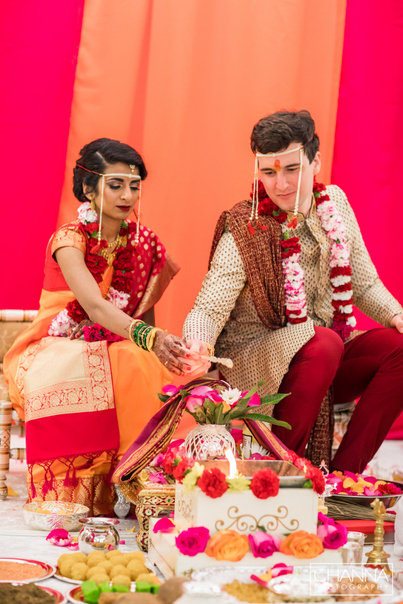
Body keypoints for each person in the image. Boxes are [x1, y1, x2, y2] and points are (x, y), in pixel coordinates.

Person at [183, 110, 403, 474]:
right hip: (255, 364)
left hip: (322, 355)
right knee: (324, 342)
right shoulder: (246, 226)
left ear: (315, 161)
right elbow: (208, 308)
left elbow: (363, 284)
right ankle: (279, 472)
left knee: (396, 348)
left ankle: (341, 478)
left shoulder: (335, 203)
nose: (280, 184)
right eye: (268, 172)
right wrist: (197, 343)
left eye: (291, 169)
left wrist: (397, 315)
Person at [4, 138, 194, 515]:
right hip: (56, 340)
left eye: (134, 186)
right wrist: (148, 339)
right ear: (89, 188)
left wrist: (156, 346)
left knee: (151, 367)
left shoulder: (143, 243)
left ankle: (150, 482)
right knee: (123, 359)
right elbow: (92, 305)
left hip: (117, 337)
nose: (127, 195)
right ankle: (109, 482)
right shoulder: (69, 239)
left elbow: (141, 312)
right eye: (116, 184)